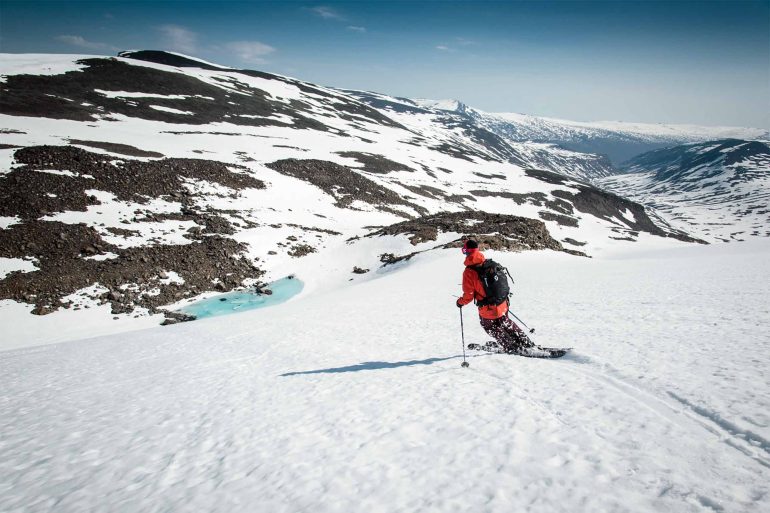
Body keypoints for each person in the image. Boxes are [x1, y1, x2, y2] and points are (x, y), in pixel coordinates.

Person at [455, 239, 533, 354]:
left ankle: (510, 346)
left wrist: (460, 302)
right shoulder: (488, 263)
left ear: (467, 251)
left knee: (490, 327)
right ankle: (526, 342)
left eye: (464, 251)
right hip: (502, 302)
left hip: (488, 308)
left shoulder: (469, 272)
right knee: (505, 322)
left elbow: (469, 295)